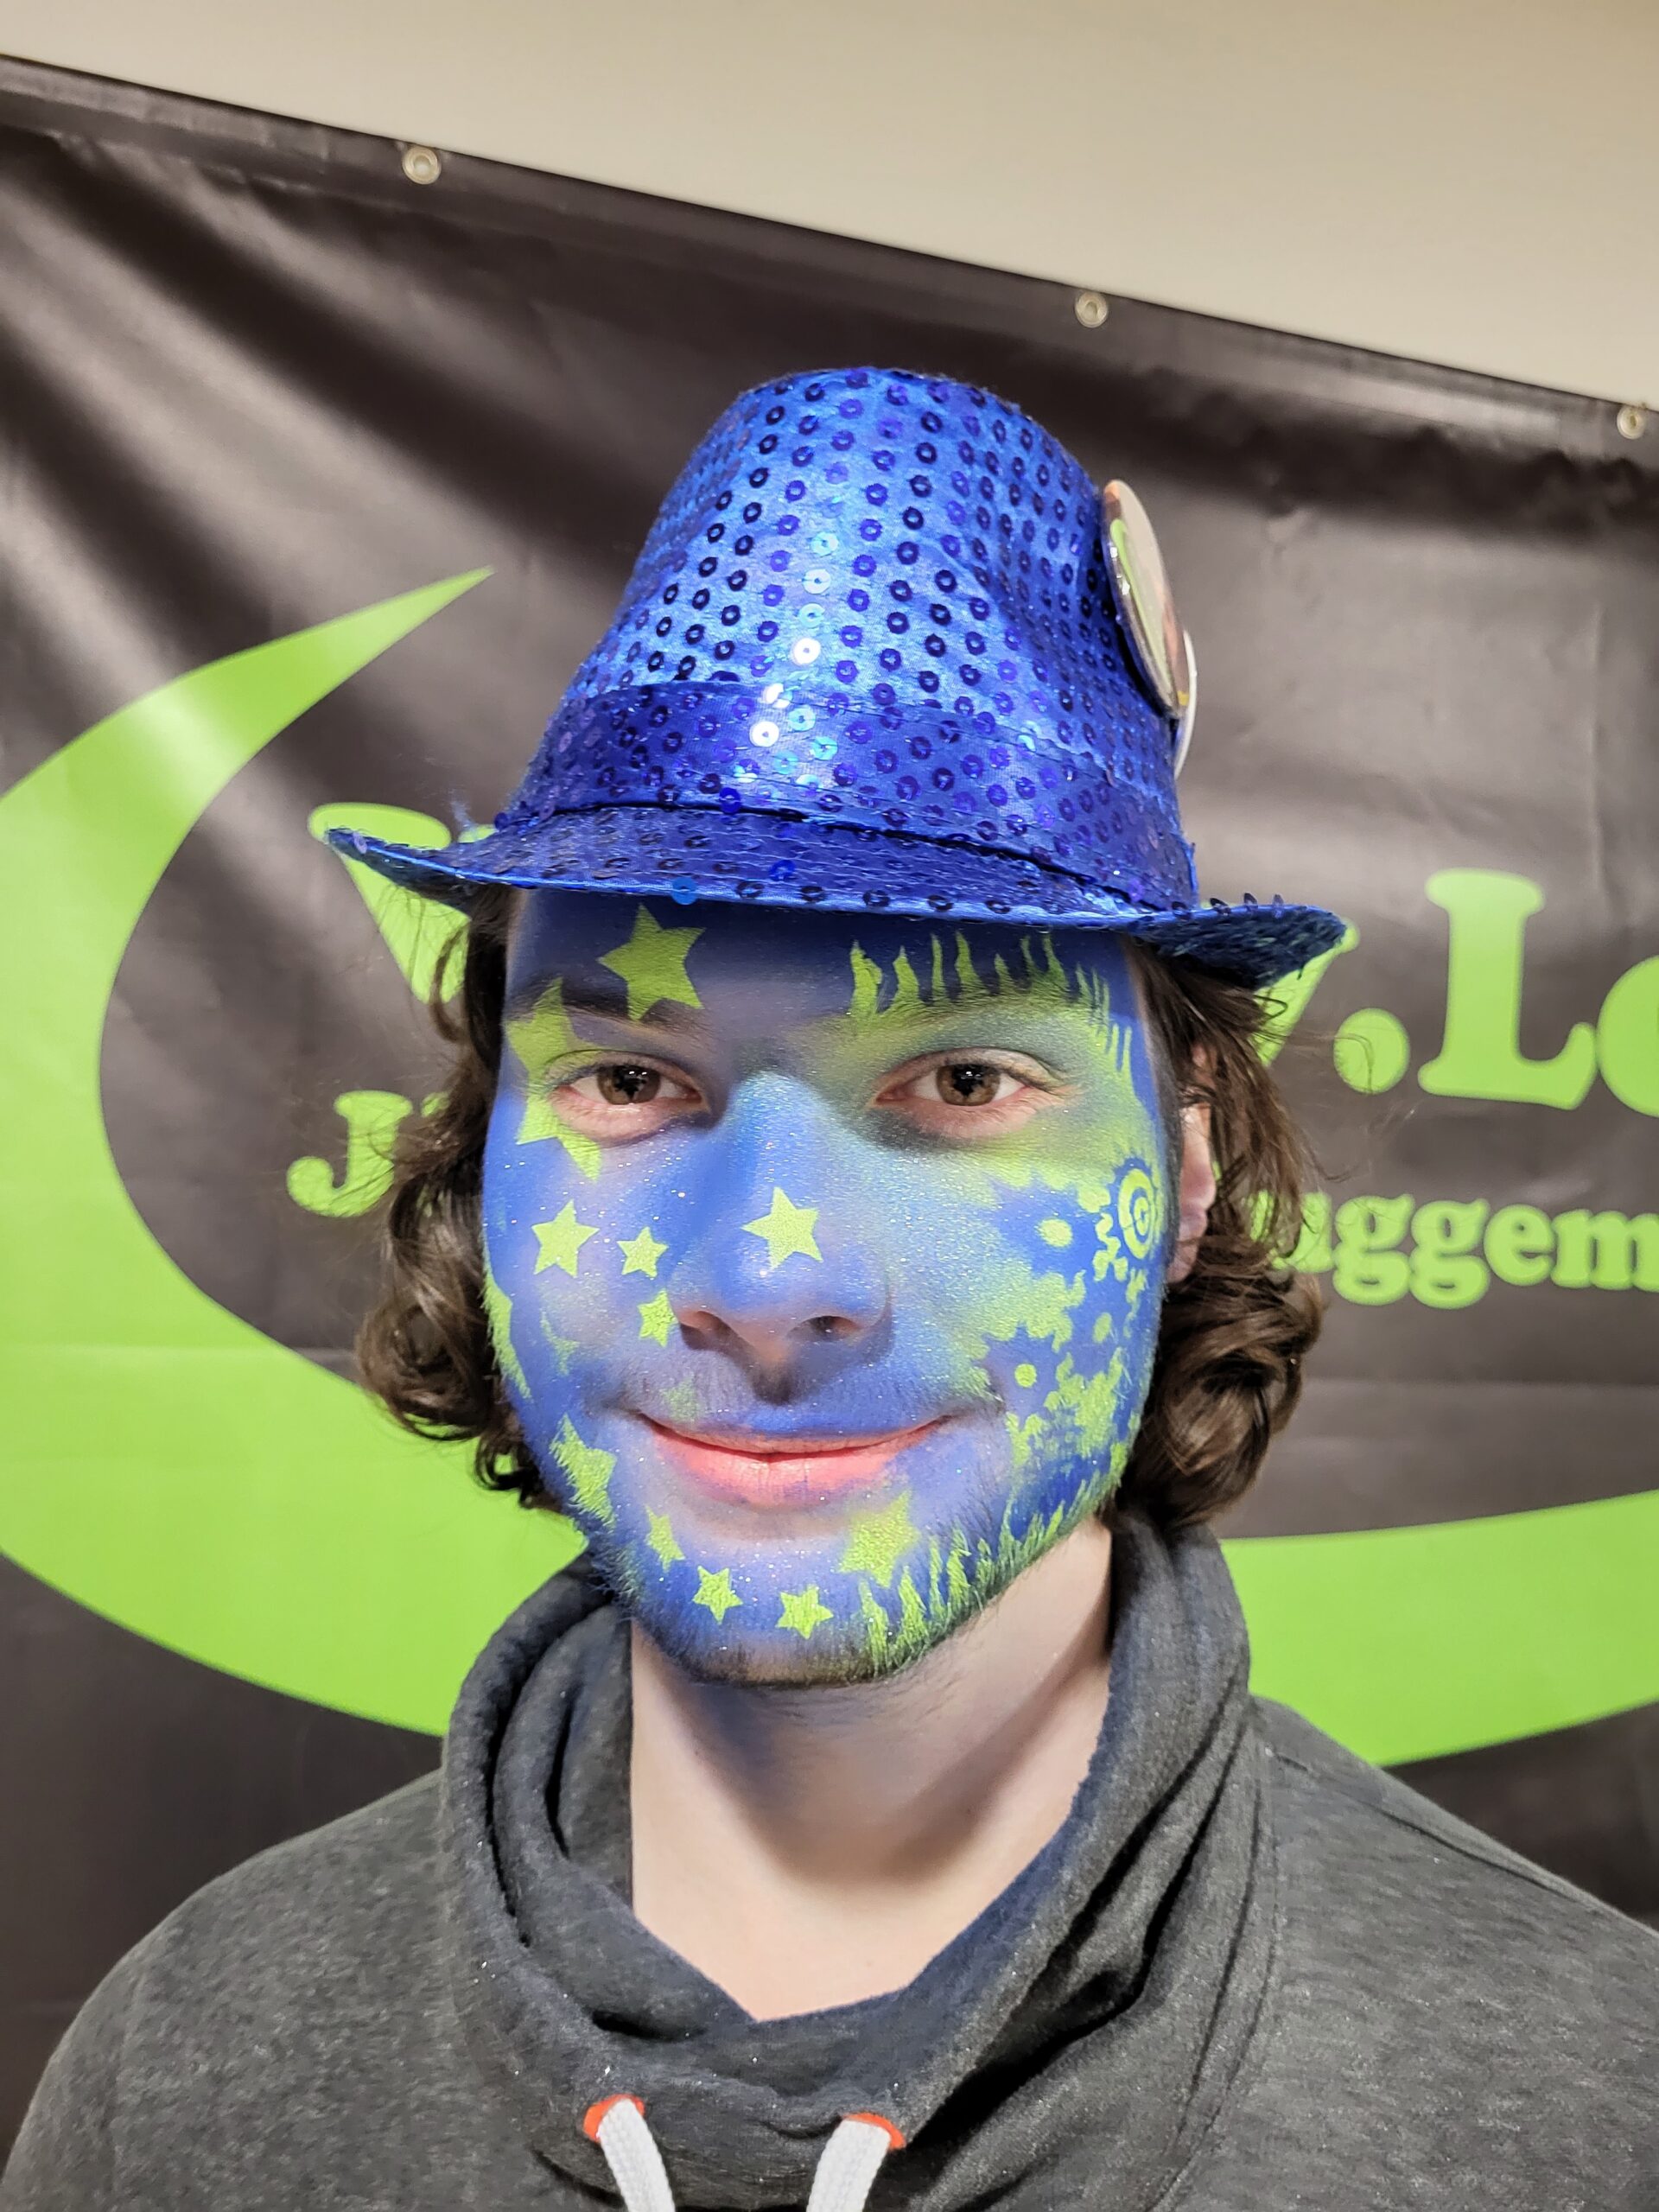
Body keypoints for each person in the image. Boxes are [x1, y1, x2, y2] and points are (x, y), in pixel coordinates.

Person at [5, 365, 1656, 2212]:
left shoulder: (1592, 2109)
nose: (768, 1281)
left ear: (1187, 1175)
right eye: (631, 1077)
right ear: (483, 1154)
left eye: (964, 1081)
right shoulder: (183, 2075)